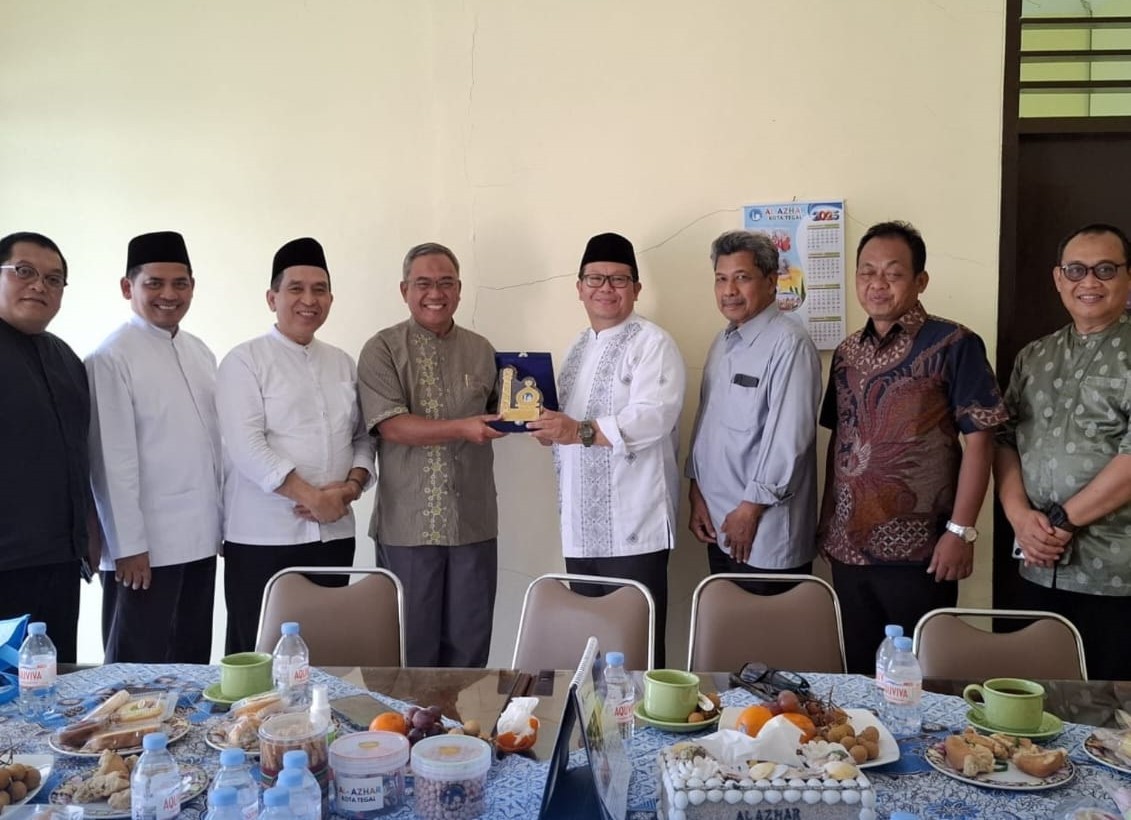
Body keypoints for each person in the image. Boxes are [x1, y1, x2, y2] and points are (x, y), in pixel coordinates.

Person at [818, 220, 1007, 674]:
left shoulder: (954, 344)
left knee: (922, 680)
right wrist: (826, 523)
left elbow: (981, 440)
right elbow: (839, 440)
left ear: (920, 280)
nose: (877, 284)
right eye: (866, 272)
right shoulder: (846, 354)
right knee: (858, 678)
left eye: (892, 272)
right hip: (848, 552)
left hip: (923, 554)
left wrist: (962, 532)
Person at [529, 232, 686, 668]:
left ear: (636, 289)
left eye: (618, 280)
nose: (606, 289)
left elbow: (654, 417)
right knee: (589, 646)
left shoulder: (653, 344)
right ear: (578, 287)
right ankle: (595, 733)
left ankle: (648, 733)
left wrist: (575, 431)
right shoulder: (578, 347)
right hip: (581, 526)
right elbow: (568, 424)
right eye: (595, 279)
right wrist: (549, 430)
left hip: (635, 524)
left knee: (636, 647)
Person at [217, 237, 375, 653]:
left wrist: (351, 488)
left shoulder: (342, 361)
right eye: (296, 289)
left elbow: (361, 436)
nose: (309, 300)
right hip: (263, 538)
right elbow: (245, 444)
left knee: (323, 650)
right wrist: (310, 497)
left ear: (331, 298)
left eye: (319, 290)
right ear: (272, 298)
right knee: (260, 655)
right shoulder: (244, 360)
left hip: (335, 534)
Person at [995, 223, 1131, 681]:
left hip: (1116, 573)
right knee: (1042, 703)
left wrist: (1060, 521)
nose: (1088, 282)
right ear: (1058, 279)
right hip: (1039, 565)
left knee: (1114, 718)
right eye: (1076, 270)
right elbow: (1005, 438)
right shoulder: (1034, 356)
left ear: (1128, 277)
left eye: (1105, 270)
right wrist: (1018, 517)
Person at [357, 242, 503, 668]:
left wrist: (538, 423)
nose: (435, 292)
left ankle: (462, 735)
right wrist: (462, 427)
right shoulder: (382, 348)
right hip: (409, 527)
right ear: (405, 290)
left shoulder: (481, 349)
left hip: (473, 524)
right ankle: (409, 735)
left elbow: (504, 414)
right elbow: (391, 425)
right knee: (409, 651)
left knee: (470, 650)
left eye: (446, 283)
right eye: (423, 283)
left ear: (459, 290)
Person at [86, 231, 222, 663]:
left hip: (200, 538)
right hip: (145, 549)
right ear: (128, 287)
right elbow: (111, 460)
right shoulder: (111, 357)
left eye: (180, 284)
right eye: (155, 284)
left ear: (192, 287)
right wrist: (127, 546)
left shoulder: (200, 351)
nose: (169, 294)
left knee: (191, 659)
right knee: (135, 668)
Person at [686, 230, 821, 592]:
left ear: (771, 282)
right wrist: (696, 492)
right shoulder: (723, 340)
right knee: (729, 638)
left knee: (769, 644)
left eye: (742, 278)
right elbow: (707, 423)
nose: (729, 290)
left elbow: (789, 441)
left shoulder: (790, 345)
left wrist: (750, 510)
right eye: (721, 279)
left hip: (763, 532)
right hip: (719, 524)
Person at [0, 232, 96, 663]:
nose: (40, 285)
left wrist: (88, 528)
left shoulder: (66, 359)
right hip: (6, 562)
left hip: (59, 560)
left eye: (54, 279)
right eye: (24, 272)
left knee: (56, 684)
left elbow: (78, 453)